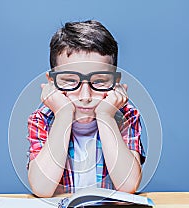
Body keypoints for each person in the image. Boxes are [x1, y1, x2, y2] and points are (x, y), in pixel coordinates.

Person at [27, 20, 145, 197]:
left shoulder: (126, 116)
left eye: (99, 81)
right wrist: (63, 114)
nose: (85, 96)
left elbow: (128, 185)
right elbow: (42, 188)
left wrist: (106, 116)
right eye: (70, 81)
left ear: (115, 82)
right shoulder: (42, 119)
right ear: (52, 82)